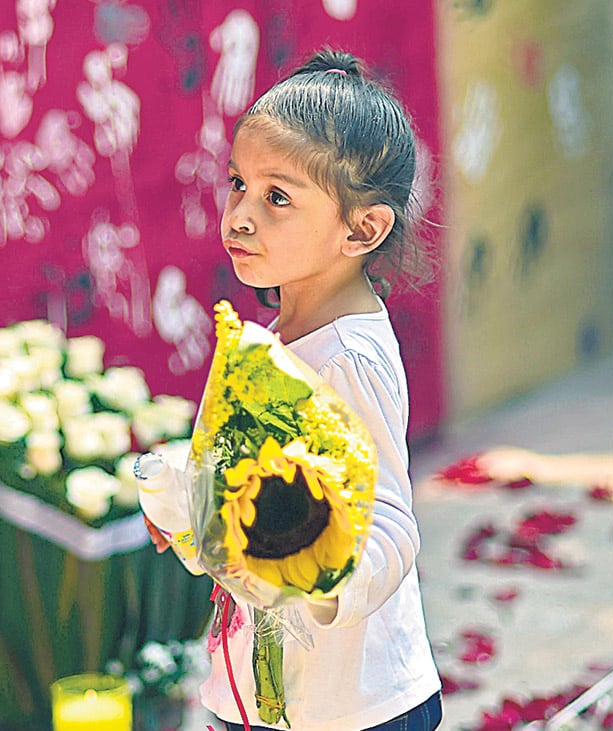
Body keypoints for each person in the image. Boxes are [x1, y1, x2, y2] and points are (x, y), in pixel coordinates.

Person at [145, 49, 442, 729]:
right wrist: (188, 507)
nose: (240, 215)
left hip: (350, 708)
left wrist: (301, 569)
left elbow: (390, 530)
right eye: (237, 183)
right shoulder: (268, 340)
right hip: (257, 695)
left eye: (276, 196)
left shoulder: (345, 357)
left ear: (361, 229)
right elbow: (246, 505)